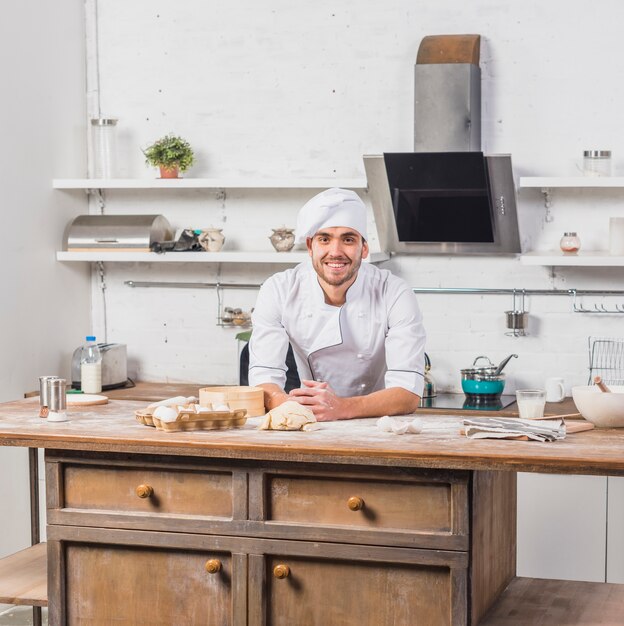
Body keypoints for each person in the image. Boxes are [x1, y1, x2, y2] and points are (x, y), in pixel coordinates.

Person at [248, 187, 426, 421]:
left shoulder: (393, 292)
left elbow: (408, 393)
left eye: (348, 239)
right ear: (311, 246)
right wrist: (288, 405)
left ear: (364, 248)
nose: (336, 252)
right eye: (324, 239)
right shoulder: (280, 289)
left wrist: (342, 408)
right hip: (312, 419)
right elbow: (264, 375)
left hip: (378, 422)